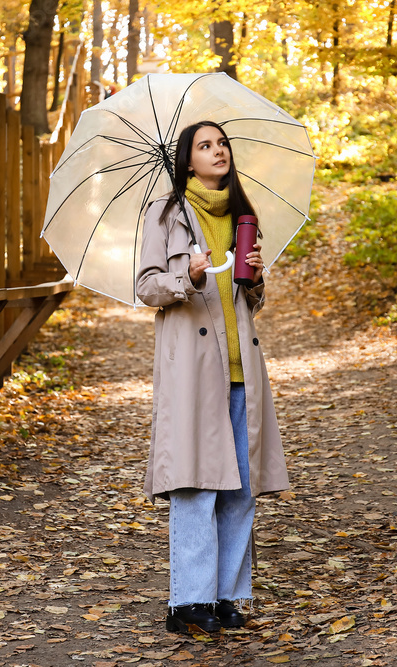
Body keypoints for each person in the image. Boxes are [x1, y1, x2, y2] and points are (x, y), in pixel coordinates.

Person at [135, 121, 290, 634]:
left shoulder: (243, 217)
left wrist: (258, 279)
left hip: (242, 368)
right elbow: (146, 288)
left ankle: (226, 596)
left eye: (222, 143)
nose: (217, 151)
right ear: (187, 160)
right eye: (205, 145)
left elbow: (250, 304)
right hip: (193, 373)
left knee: (240, 487)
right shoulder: (165, 214)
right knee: (196, 485)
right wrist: (189, 277)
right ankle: (188, 602)